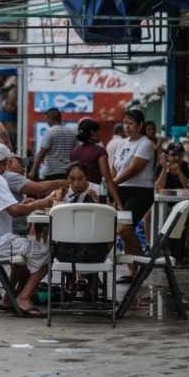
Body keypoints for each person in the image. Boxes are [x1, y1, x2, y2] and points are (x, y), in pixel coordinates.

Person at [0, 143, 53, 318]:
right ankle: (24, 297)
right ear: (6, 162)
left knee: (24, 258)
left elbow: (0, 209)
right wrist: (41, 203)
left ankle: (8, 298)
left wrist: (22, 204)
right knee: (48, 253)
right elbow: (14, 213)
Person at [111, 108, 155, 284]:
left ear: (140, 125)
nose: (127, 126)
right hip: (122, 191)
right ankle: (132, 271)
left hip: (140, 191)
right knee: (123, 232)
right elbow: (115, 166)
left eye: (131, 123)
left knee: (124, 229)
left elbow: (132, 169)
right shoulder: (122, 143)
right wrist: (114, 186)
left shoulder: (146, 143)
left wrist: (111, 184)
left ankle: (143, 264)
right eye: (125, 123)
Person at [5, 153, 68, 236]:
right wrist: (68, 183)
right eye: (21, 164)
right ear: (10, 163)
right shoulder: (10, 176)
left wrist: (53, 196)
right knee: (48, 249)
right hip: (13, 235)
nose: (24, 169)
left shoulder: (4, 178)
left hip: (14, 234)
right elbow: (40, 188)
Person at [70, 118, 121, 208]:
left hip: (76, 196)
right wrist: (118, 202)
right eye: (99, 131)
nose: (100, 133)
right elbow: (107, 179)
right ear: (93, 133)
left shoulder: (74, 152)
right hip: (95, 196)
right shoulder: (100, 152)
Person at [29, 108, 77, 181]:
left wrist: (33, 170)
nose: (47, 122)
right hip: (67, 172)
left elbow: (42, 152)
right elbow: (75, 151)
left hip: (52, 172)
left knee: (52, 192)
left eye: (47, 119)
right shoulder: (72, 132)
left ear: (50, 119)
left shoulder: (50, 132)